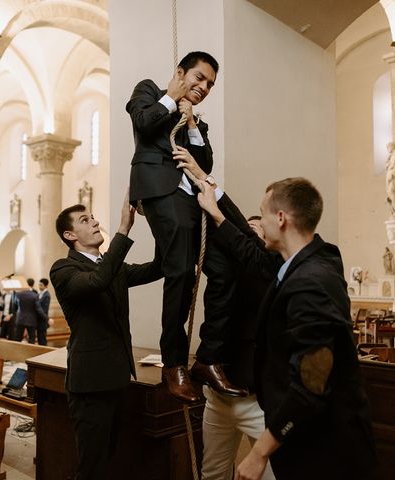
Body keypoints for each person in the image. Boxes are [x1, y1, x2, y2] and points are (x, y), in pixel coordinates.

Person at [197, 178, 376, 480]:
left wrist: (259, 452)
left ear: (280, 218)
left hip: (325, 451)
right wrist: (214, 195)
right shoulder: (311, 262)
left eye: (263, 214)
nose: (260, 224)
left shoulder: (310, 283)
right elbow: (248, 248)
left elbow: (312, 383)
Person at [127, 50, 244, 402]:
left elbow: (204, 164)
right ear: (181, 72)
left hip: (193, 197)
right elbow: (145, 123)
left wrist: (192, 124)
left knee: (226, 270)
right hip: (160, 191)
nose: (204, 87)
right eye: (199, 78)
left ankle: (207, 359)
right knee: (181, 271)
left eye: (209, 84)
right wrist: (173, 97)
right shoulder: (148, 91)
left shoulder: (195, 120)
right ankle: (173, 363)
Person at [50, 192, 162, 480]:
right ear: (70, 234)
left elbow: (155, 269)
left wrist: (163, 224)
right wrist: (123, 229)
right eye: (85, 220)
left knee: (110, 455)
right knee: (91, 466)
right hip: (89, 384)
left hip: (115, 377)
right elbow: (97, 283)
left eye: (93, 217)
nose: (95, 222)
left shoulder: (110, 267)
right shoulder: (64, 269)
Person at [200, 215, 281, 480]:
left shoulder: (270, 272)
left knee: (272, 474)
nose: (244, 237)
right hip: (218, 398)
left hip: (255, 401)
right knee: (213, 473)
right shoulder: (224, 278)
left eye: (253, 232)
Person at [15, 277, 47, 344]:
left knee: (17, 339)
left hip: (20, 319)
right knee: (31, 340)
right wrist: (46, 318)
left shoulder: (18, 294)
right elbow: (38, 309)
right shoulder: (34, 295)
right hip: (31, 320)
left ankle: (16, 353)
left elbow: (15, 306)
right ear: (33, 284)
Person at [37, 278, 51, 345]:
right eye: (39, 284)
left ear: (46, 286)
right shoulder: (40, 293)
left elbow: (45, 309)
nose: (39, 286)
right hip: (39, 319)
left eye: (41, 285)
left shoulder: (46, 295)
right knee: (39, 338)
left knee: (42, 339)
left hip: (43, 320)